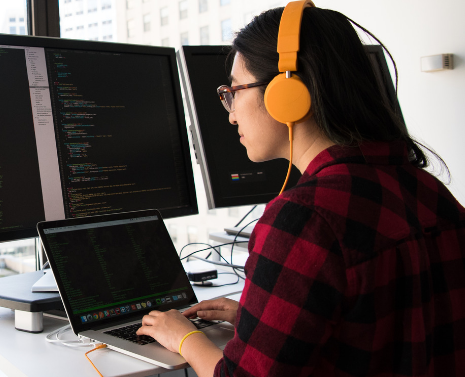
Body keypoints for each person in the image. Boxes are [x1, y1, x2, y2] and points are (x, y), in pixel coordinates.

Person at [136, 4, 465, 376]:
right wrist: (256, 318)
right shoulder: (430, 190)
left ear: (287, 93)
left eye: (234, 91)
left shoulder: (304, 219)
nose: (230, 113)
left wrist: (182, 336)